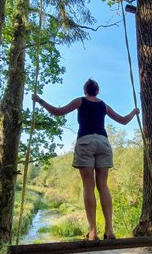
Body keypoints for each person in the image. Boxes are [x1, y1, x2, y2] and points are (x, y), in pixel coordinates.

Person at [32, 79, 139, 241]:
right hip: (103, 143)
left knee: (88, 186)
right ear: (98, 91)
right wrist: (134, 111)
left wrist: (39, 100)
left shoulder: (80, 101)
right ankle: (109, 231)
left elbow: (58, 112)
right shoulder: (103, 105)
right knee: (103, 185)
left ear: (85, 90)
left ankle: (93, 232)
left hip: (86, 142)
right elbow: (123, 120)